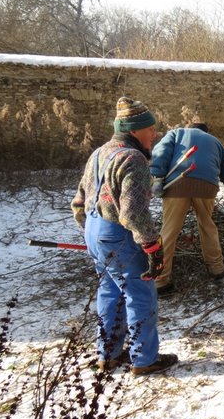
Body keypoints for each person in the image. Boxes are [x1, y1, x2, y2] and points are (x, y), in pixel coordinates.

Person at [71, 96, 178, 376]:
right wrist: (152, 246)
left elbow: (79, 202)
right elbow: (133, 214)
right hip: (119, 234)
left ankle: (108, 355)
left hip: (95, 230)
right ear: (134, 130)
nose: (154, 134)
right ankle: (144, 360)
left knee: (109, 291)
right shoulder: (133, 158)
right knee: (140, 294)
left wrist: (92, 232)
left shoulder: (99, 153)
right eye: (150, 129)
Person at [149, 123, 224, 296]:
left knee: (169, 231)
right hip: (207, 186)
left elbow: (160, 151)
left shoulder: (176, 133)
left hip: (176, 184)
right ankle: (217, 269)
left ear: (189, 127)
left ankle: (160, 280)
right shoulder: (215, 142)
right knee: (207, 226)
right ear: (206, 131)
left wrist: (157, 178)